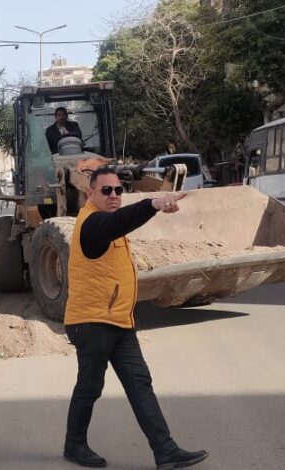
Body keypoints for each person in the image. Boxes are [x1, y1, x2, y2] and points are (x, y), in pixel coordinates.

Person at [62, 165, 208, 469]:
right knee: (90, 387)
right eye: (106, 190)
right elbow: (120, 221)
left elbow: (119, 226)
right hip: (91, 323)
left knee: (140, 384)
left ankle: (165, 451)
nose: (113, 195)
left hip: (119, 321)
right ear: (90, 193)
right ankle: (74, 445)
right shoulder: (92, 224)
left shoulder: (109, 223)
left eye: (118, 190)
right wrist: (152, 204)